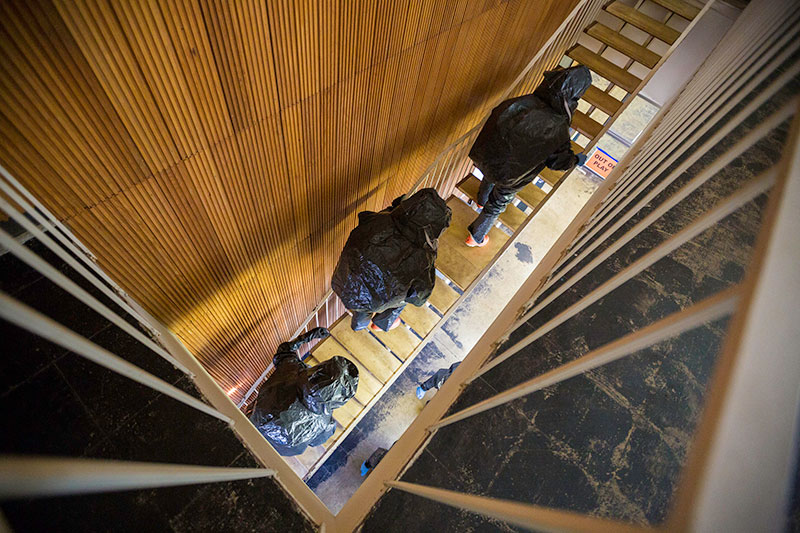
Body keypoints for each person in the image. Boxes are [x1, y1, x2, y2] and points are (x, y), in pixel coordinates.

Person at [465, 65, 592, 247]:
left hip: (488, 155)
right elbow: (558, 162)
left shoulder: (525, 101)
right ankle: (476, 237)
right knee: (497, 203)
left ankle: (481, 200)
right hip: (511, 174)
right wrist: (576, 160)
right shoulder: (558, 127)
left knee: (491, 175)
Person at [332, 188, 452, 332]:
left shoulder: (381, 219)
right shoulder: (424, 255)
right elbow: (419, 298)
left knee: (372, 296)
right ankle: (379, 323)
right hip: (371, 299)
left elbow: (364, 219)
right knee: (403, 298)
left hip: (344, 278)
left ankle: (361, 324)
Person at [246, 327, 359, 456]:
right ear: (340, 400)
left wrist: (308, 337)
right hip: (273, 451)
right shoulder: (325, 424)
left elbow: (284, 351)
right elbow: (315, 442)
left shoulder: (291, 371)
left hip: (251, 421)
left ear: (319, 368)